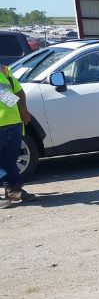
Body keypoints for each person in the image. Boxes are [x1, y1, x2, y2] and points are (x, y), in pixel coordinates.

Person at [0, 64, 33, 208]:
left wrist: (24, 111)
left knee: (10, 159)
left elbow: (19, 91)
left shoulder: (4, 70)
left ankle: (14, 190)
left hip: (13, 123)